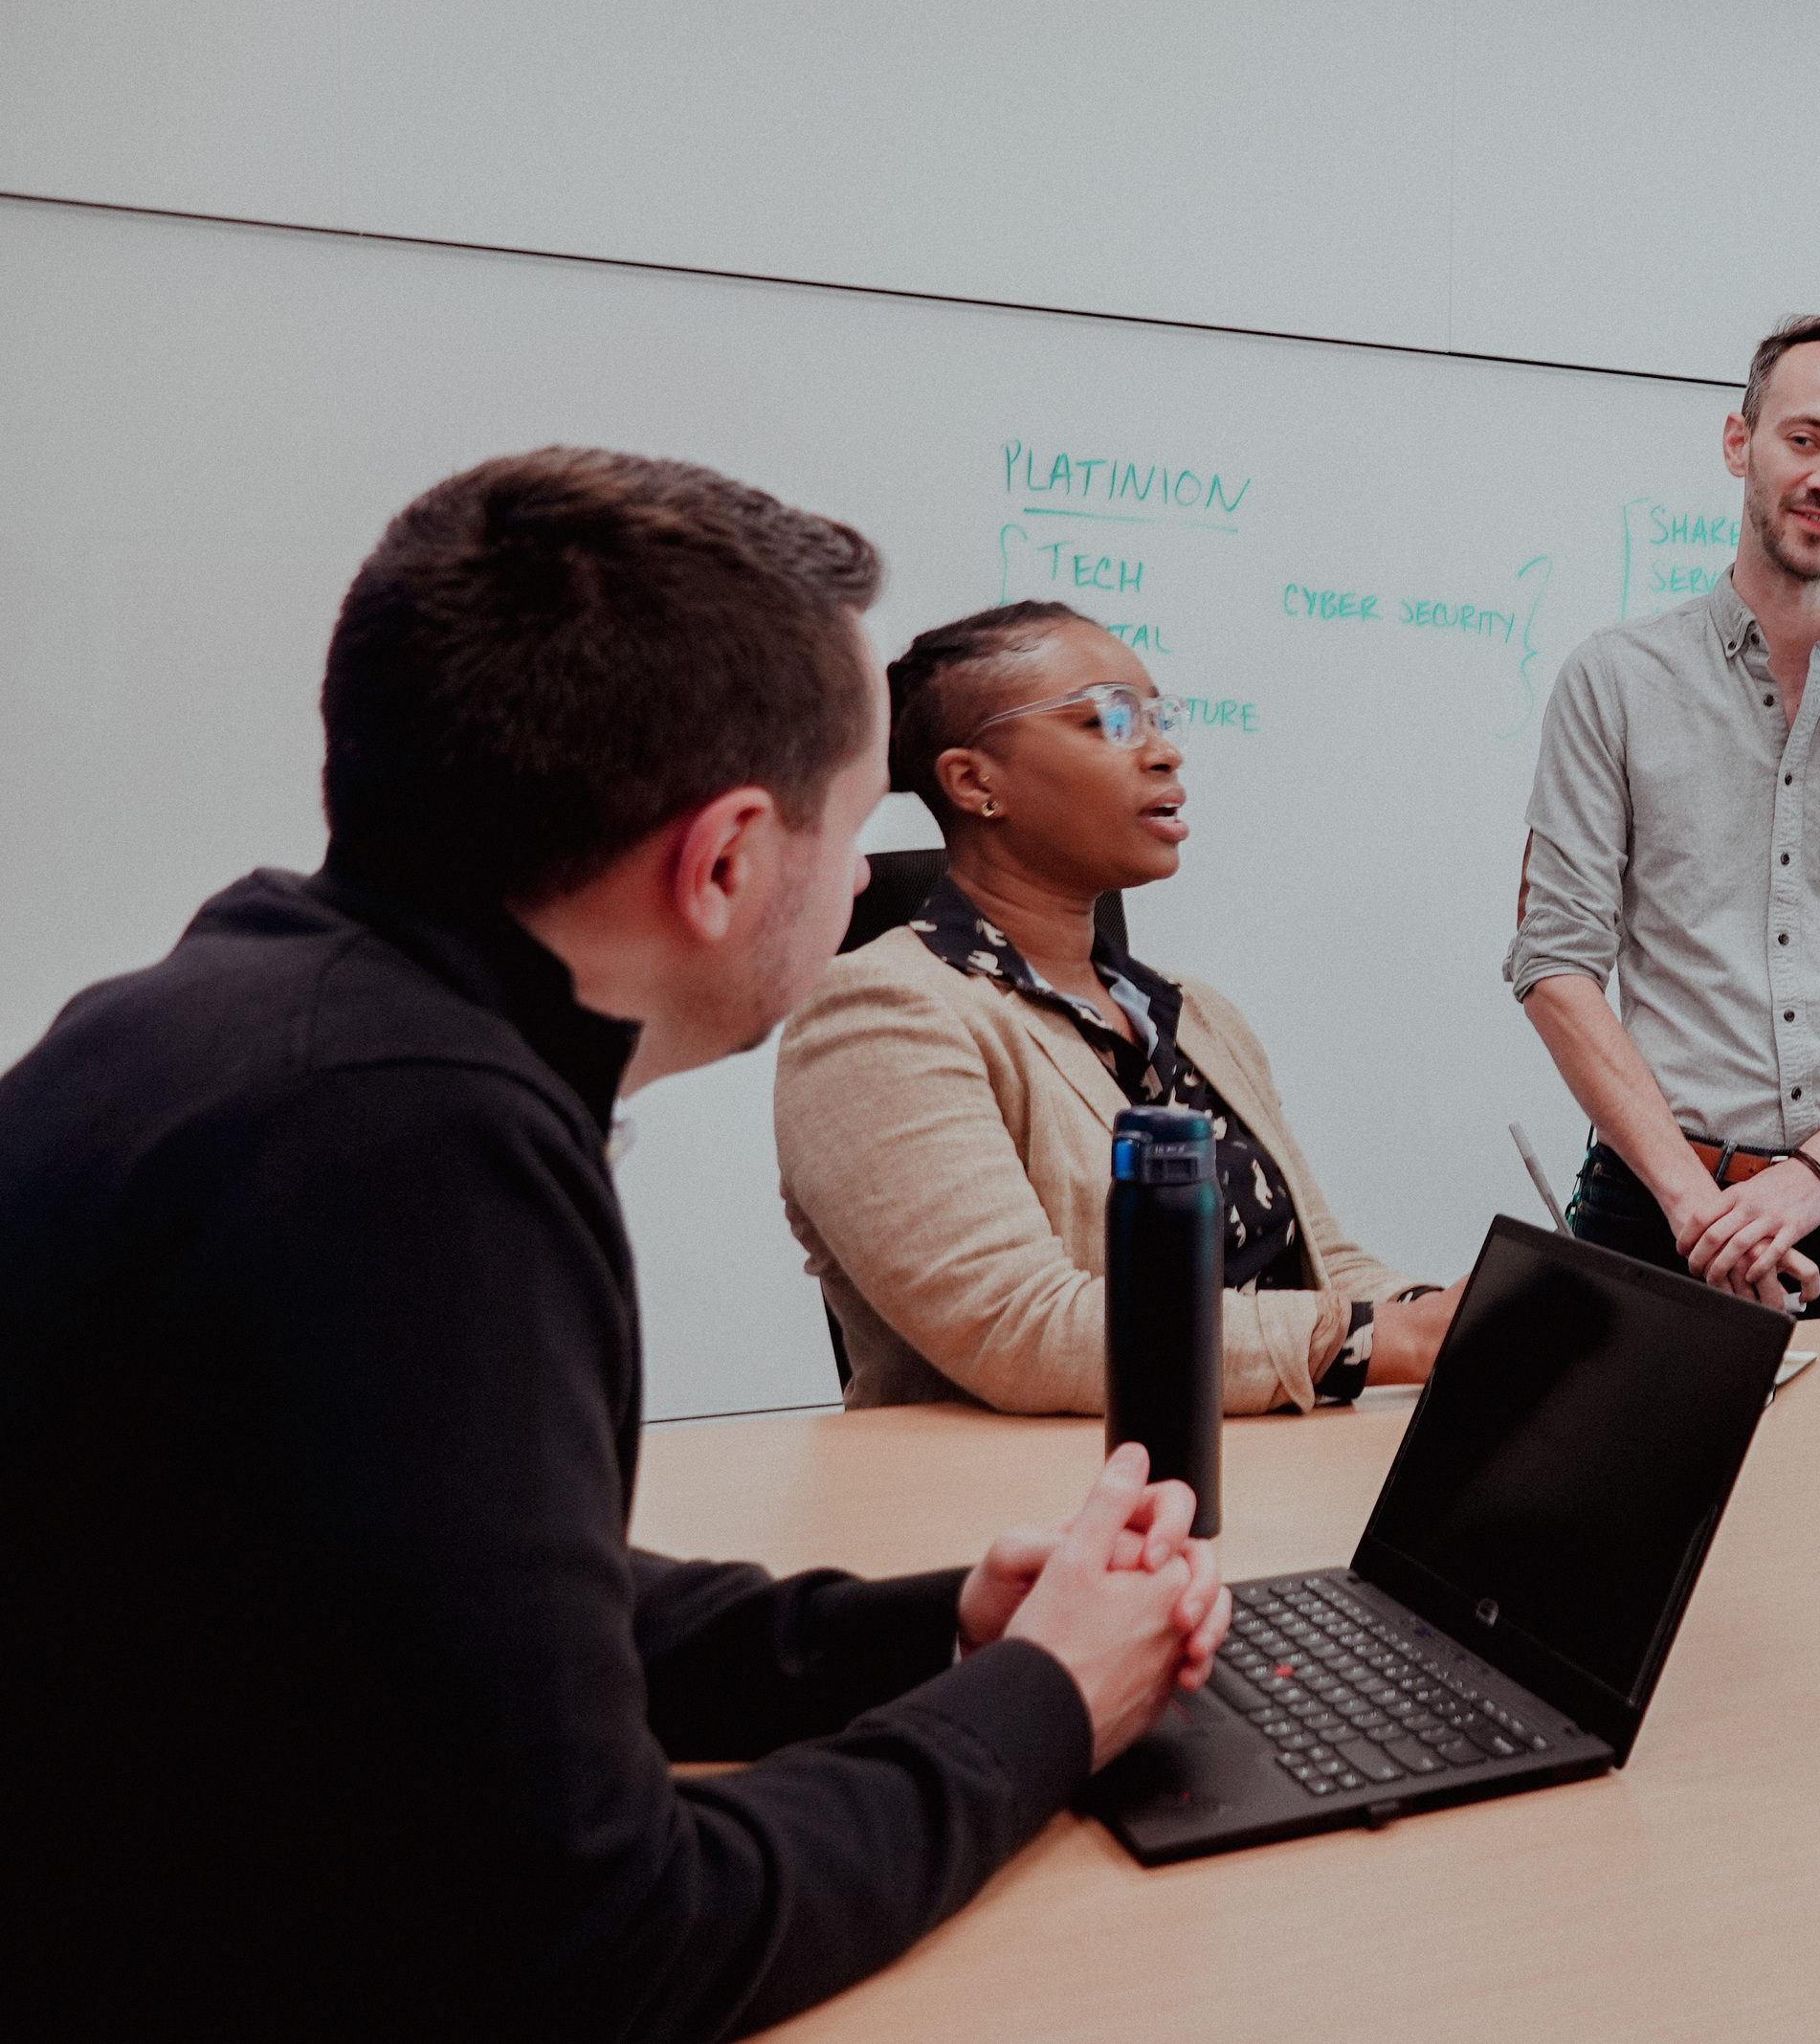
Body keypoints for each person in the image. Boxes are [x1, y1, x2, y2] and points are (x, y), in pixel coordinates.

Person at [0, 451, 1232, 2038]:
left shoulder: (246, 1020)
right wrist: (1050, 1704)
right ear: (723, 862)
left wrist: (932, 1634)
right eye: (858, 827)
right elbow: (606, 1942)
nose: (869, 879)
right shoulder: (409, 1145)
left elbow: (473, 1601)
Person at [775, 600, 1458, 1412]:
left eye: (1160, 719)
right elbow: (1022, 1329)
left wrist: (1451, 1313)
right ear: (974, 780)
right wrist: (1382, 1341)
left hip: (1264, 1479)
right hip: (1027, 1516)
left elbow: (1321, 1264)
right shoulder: (880, 1014)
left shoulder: (1195, 1014)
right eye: (1111, 719)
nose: (1165, 752)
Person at [1509, 310, 1820, 1316]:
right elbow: (1554, 961)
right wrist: (1697, 1203)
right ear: (1739, 443)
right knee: (1637, 1480)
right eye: (1805, 437)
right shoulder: (1613, 681)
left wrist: (1813, 1174)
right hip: (1657, 1205)